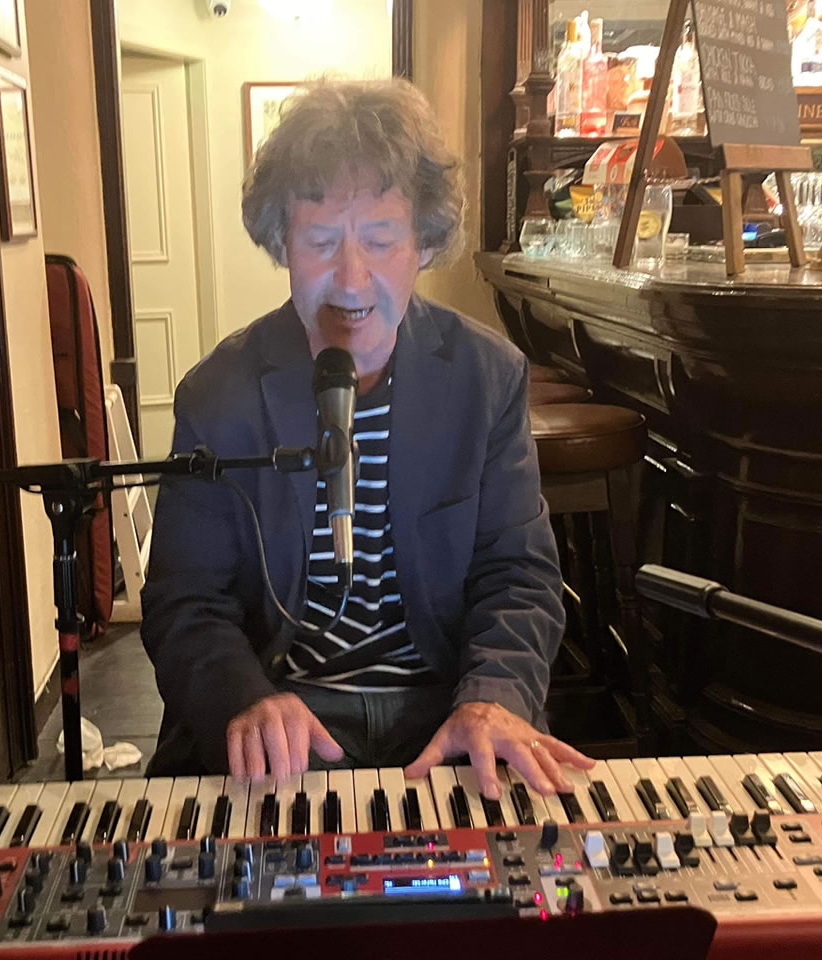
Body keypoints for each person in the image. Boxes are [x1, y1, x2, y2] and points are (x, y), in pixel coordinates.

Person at [140, 79, 592, 801]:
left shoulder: (486, 378)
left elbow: (518, 575)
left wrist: (494, 695)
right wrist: (245, 699)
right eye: (321, 242)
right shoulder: (217, 395)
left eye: (381, 241)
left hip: (445, 710)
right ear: (283, 244)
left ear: (424, 243)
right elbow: (186, 599)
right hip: (288, 712)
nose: (351, 279)